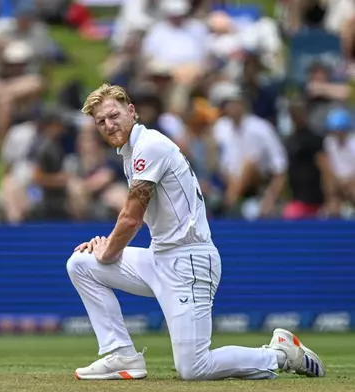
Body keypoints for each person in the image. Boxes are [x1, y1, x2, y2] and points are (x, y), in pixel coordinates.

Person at [67, 83, 325, 381]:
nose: (109, 125)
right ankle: (122, 355)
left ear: (131, 111)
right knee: (81, 264)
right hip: (160, 257)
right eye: (101, 122)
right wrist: (105, 250)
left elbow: (130, 219)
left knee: (193, 368)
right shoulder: (131, 153)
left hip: (190, 262)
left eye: (113, 115)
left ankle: (279, 355)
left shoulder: (149, 145)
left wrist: (109, 249)